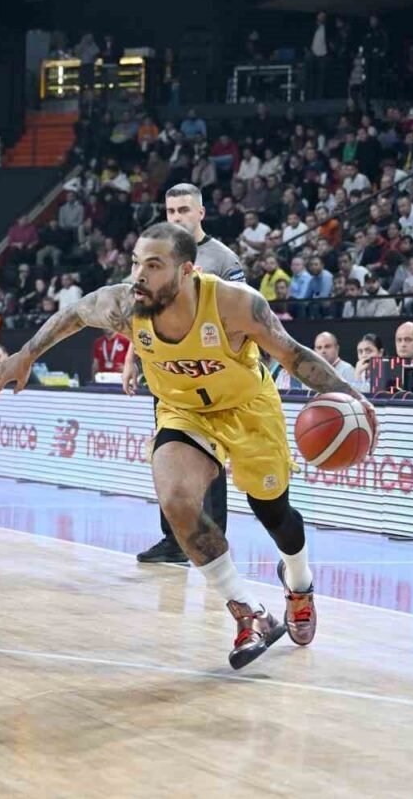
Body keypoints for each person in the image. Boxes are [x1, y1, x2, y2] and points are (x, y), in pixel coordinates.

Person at [0, 223, 378, 670]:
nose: (139, 275)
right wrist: (26, 354)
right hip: (183, 412)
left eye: (154, 266)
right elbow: (75, 314)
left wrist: (354, 398)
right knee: (176, 500)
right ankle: (249, 611)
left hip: (248, 408)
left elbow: (293, 355)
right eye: (136, 263)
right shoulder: (125, 305)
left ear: (187, 271)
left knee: (274, 514)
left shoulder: (234, 304)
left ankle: (299, 581)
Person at [125, 183, 245, 565]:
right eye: (171, 211)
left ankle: (213, 541)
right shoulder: (155, 255)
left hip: (209, 375)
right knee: (168, 454)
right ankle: (173, 540)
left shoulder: (223, 258)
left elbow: (242, 316)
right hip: (166, 373)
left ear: (201, 213)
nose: (176, 217)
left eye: (184, 210)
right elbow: (141, 311)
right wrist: (131, 358)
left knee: (211, 460)